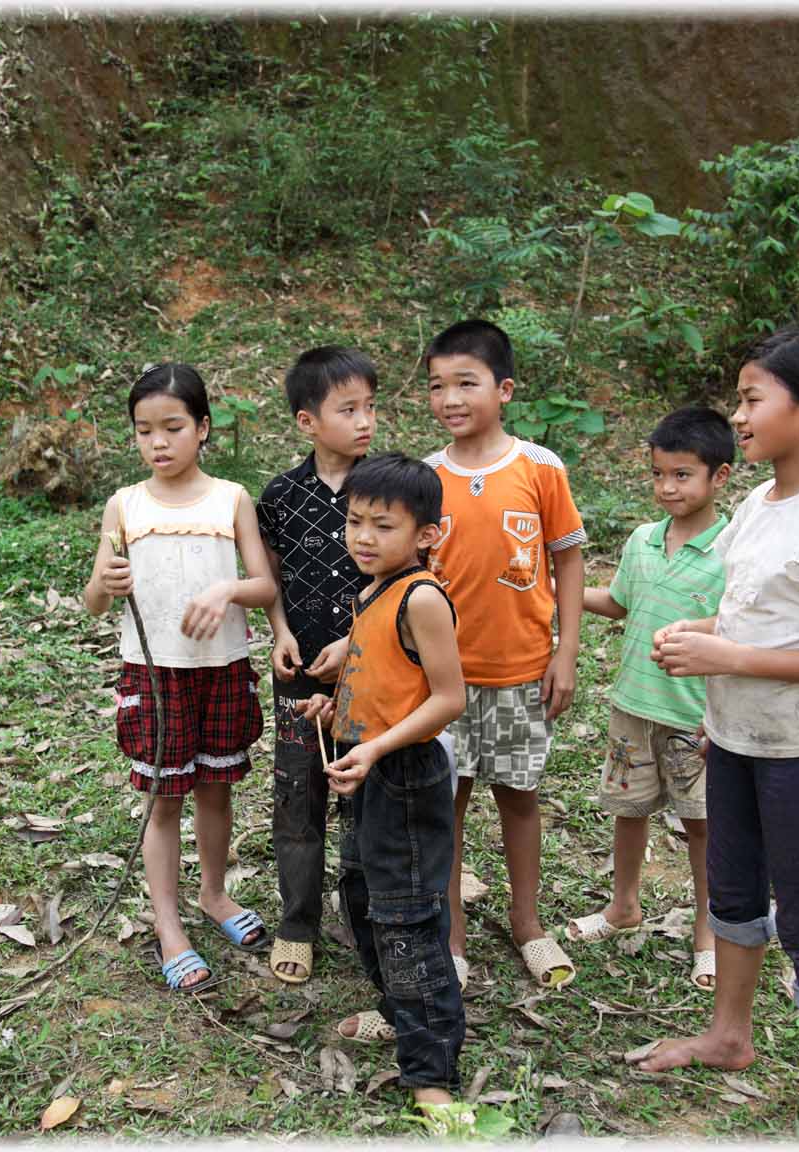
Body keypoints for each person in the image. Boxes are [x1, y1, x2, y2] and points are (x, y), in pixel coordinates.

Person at [638, 327, 799, 1143]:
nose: (738, 417)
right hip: (734, 738)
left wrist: (727, 652)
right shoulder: (760, 501)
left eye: (753, 400)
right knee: (735, 895)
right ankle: (729, 1035)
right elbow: (761, 618)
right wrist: (702, 638)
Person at [83, 363, 278, 992]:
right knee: (164, 799)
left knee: (217, 788)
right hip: (153, 671)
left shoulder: (231, 498)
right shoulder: (125, 506)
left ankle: (215, 895)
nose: (158, 443)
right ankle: (169, 925)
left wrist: (227, 590)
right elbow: (92, 599)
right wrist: (104, 584)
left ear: (203, 428)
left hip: (220, 668)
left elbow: (264, 583)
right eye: (144, 431)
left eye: (172, 427)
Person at [298, 453, 467, 1112]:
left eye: (383, 525)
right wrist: (335, 705)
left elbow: (448, 698)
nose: (363, 537)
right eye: (355, 521)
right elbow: (389, 676)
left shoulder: (421, 596)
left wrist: (375, 748)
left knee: (407, 919)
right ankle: (400, 1009)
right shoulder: (370, 588)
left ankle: (431, 1072)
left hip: (403, 776)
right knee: (362, 896)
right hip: (366, 766)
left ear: (427, 534)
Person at [422, 320, 586, 989]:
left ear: (505, 389)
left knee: (519, 797)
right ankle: (453, 937)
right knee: (449, 803)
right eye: (437, 386)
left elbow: (569, 561)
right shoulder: (427, 476)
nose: (450, 398)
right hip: (445, 682)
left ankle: (528, 922)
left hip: (522, 674)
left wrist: (566, 651)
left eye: (467, 382)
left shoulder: (539, 469)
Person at [569, 406, 733, 991]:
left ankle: (708, 935)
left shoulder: (732, 550)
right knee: (628, 810)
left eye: (683, 475)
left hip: (697, 717)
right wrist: (559, 594)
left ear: (721, 477)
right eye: (659, 474)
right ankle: (623, 906)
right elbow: (619, 603)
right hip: (633, 707)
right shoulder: (642, 540)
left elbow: (743, 630)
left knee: (703, 827)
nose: (668, 487)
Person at [256, 346, 378, 985]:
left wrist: (359, 647)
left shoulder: (385, 486)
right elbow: (269, 574)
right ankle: (297, 920)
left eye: (369, 407)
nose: (365, 421)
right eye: (348, 409)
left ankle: (366, 918)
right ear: (307, 421)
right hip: (299, 674)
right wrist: (278, 631)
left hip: (375, 678)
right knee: (297, 794)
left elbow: (407, 576)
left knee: (366, 797)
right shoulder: (280, 496)